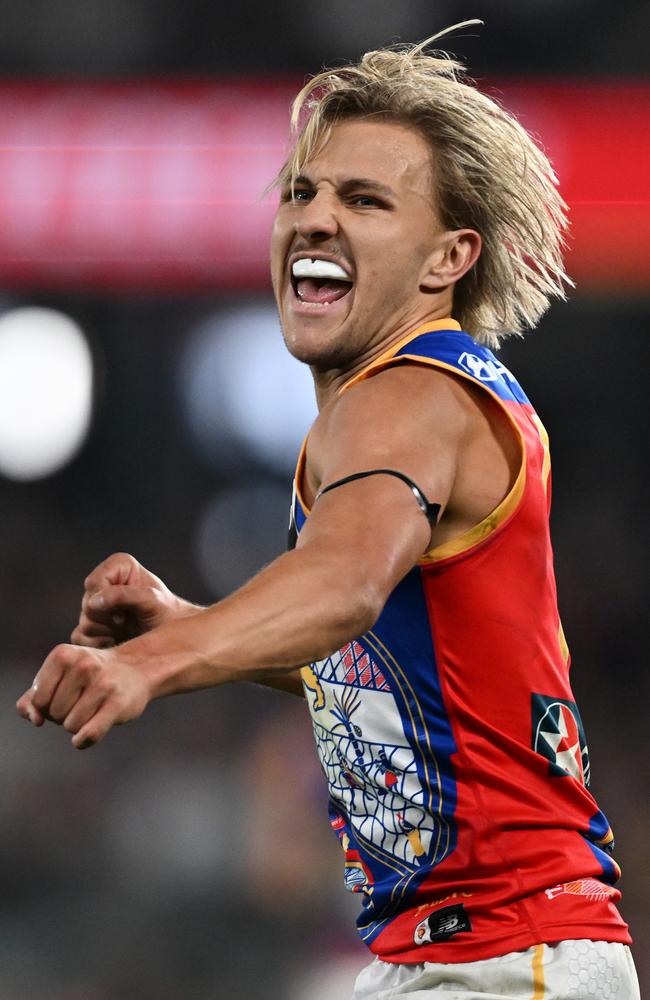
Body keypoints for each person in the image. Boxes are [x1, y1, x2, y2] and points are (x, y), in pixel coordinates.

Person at [17, 24, 640, 1000]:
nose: (313, 217)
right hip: (481, 954)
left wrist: (150, 660)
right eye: (302, 192)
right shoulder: (414, 407)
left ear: (447, 258)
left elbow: (344, 585)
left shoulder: (407, 395)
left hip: (498, 955)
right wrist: (193, 625)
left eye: (363, 200)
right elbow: (384, 662)